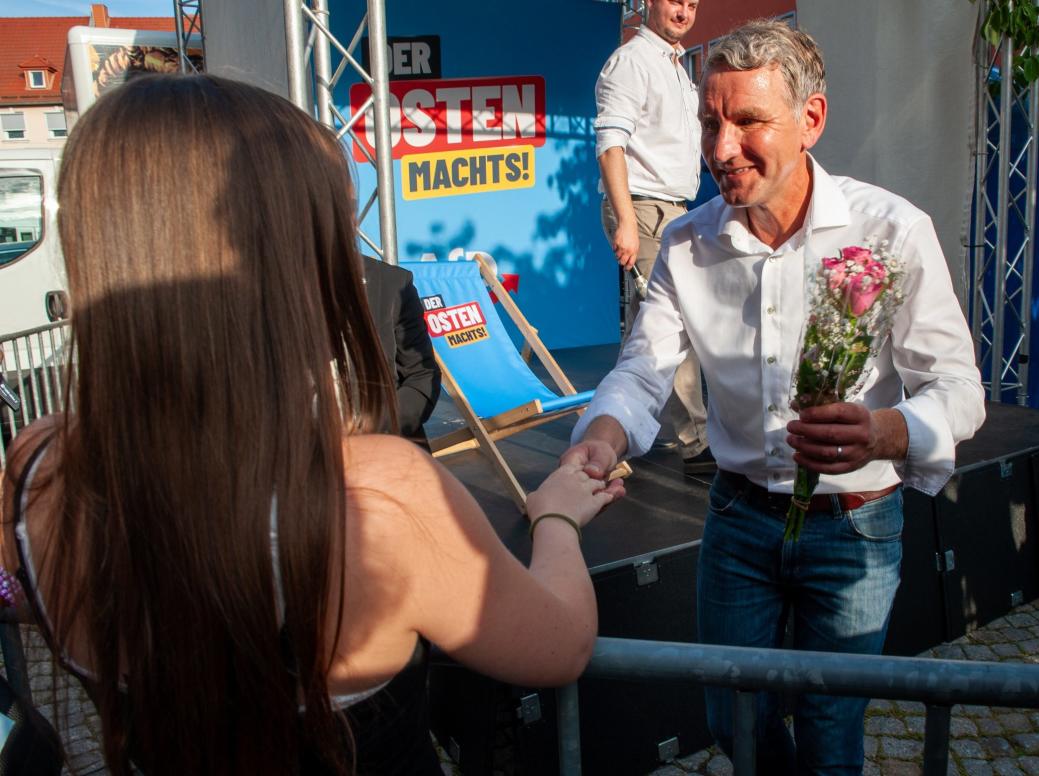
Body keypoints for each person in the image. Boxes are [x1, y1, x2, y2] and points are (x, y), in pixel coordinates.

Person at [0, 74, 621, 776]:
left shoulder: (37, 469)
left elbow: (22, 598)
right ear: (287, 258)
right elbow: (558, 644)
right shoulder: (376, 497)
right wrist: (555, 517)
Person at [561, 21, 985, 773]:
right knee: (731, 719)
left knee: (830, 731)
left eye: (748, 121)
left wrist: (887, 431)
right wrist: (601, 436)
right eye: (708, 122)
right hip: (737, 521)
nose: (721, 149)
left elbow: (957, 390)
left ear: (811, 120)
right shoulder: (688, 246)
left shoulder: (891, 229)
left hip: (855, 526)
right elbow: (640, 371)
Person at [595, 0, 713, 473]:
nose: (684, 11)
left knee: (649, 328)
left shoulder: (677, 66)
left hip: (675, 210)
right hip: (644, 209)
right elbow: (611, 145)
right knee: (674, 324)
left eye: (692, 3)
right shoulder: (631, 62)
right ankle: (697, 442)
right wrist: (626, 219)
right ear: (649, 3)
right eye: (674, 1)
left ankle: (613, 421)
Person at [362, 257, 441, 446]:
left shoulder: (392, 281)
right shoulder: (281, 283)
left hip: (385, 445)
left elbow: (422, 375)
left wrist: (372, 426)